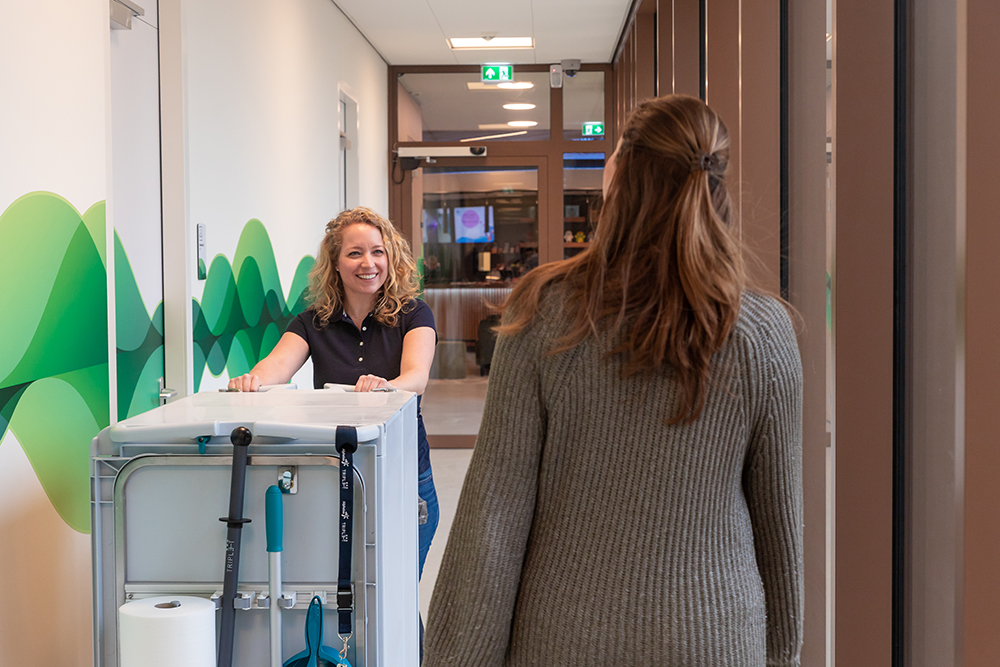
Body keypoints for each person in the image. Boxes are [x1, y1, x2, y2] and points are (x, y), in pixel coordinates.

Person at [424, 95, 803, 666]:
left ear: (619, 174)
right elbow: (781, 528)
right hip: (717, 637)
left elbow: (494, 516)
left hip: (565, 637)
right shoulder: (762, 334)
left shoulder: (547, 312)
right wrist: (784, 656)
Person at [228, 206, 440, 578]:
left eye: (378, 251)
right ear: (336, 263)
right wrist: (252, 380)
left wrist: (385, 386)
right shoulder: (313, 321)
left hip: (404, 473)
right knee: (347, 592)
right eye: (354, 253)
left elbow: (416, 377)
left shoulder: (414, 313)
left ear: (391, 257)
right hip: (337, 472)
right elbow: (276, 367)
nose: (368, 263)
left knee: (397, 594)